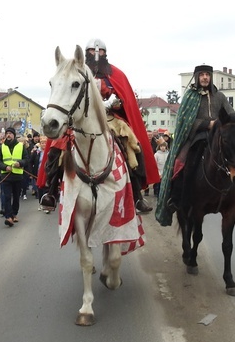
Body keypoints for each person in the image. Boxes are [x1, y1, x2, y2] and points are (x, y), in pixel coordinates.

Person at [39, 38, 159, 214]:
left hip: (110, 118)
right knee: (57, 147)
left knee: (131, 143)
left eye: (100, 51)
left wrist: (112, 102)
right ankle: (51, 193)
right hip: (79, 119)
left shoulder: (116, 75)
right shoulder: (75, 72)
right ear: (86, 53)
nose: (96, 55)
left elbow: (124, 100)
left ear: (105, 53)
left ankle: (136, 195)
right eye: (92, 51)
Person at [155, 64, 235, 227]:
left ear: (210, 77)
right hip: (197, 137)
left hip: (219, 136)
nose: (204, 77)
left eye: (207, 75)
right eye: (201, 75)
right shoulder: (190, 96)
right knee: (181, 161)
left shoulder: (220, 96)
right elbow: (185, 121)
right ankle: (176, 197)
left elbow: (230, 114)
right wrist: (207, 124)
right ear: (197, 77)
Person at [0, 127, 29, 226]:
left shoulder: (21, 146)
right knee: (7, 196)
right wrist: (5, 167)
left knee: (16, 197)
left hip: (18, 176)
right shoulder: (1, 147)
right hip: (6, 176)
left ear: (14, 135)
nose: (8, 135)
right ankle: (8, 217)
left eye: (10, 133)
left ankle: (14, 214)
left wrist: (20, 163)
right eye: (7, 133)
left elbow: (26, 159)